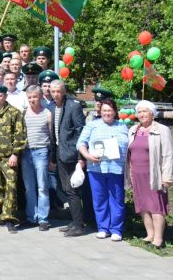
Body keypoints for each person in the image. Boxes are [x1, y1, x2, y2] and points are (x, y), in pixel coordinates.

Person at [77, 98, 130, 241]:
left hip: (116, 169)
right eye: (104, 110)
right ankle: (103, 228)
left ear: (115, 112)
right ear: (100, 111)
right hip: (96, 168)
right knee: (99, 199)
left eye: (110, 110)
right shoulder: (92, 125)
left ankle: (116, 229)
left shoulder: (123, 127)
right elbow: (80, 143)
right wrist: (87, 156)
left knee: (117, 199)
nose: (107, 113)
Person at [126, 100, 173, 249]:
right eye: (139, 111)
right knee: (142, 206)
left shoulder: (162, 130)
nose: (142, 114)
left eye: (145, 111)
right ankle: (150, 234)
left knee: (156, 206)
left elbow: (168, 154)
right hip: (136, 173)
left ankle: (158, 238)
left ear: (152, 113)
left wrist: (167, 176)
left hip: (154, 174)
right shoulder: (133, 130)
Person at [49, 79, 87, 237]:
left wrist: (80, 156)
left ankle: (79, 225)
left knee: (72, 189)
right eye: (53, 91)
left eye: (58, 91)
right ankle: (75, 221)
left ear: (63, 92)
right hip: (59, 153)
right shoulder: (50, 107)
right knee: (66, 189)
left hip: (71, 154)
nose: (56, 94)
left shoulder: (73, 106)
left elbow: (81, 132)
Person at [0, 85, 26, 233]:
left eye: (0, 96)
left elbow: (20, 134)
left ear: (5, 97)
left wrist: (15, 154)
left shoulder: (14, 112)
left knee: (11, 187)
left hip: (8, 157)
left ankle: (10, 218)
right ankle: (0, 216)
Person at [22, 85, 52, 231]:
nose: (32, 99)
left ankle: (43, 219)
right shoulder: (23, 113)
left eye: (35, 96)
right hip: (26, 153)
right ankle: (31, 217)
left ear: (40, 97)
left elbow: (52, 137)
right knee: (29, 188)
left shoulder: (47, 113)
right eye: (30, 97)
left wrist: (52, 157)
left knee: (42, 187)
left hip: (41, 152)